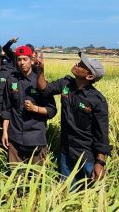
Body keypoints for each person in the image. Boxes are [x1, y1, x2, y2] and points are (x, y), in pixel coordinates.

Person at [37, 52, 111, 186]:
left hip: (86, 156)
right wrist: (40, 70)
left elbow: (102, 132)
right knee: (66, 190)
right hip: (66, 151)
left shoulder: (97, 100)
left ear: (90, 76)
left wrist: (100, 162)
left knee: (89, 195)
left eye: (82, 65)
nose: (77, 64)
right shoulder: (66, 84)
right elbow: (45, 89)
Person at [2, 46, 57, 165]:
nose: (22, 63)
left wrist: (35, 108)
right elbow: (6, 108)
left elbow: (52, 111)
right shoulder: (12, 80)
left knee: (37, 178)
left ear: (31, 60)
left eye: (25, 59)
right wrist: (5, 132)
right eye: (19, 59)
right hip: (15, 136)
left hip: (35, 137)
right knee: (15, 176)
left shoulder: (40, 82)